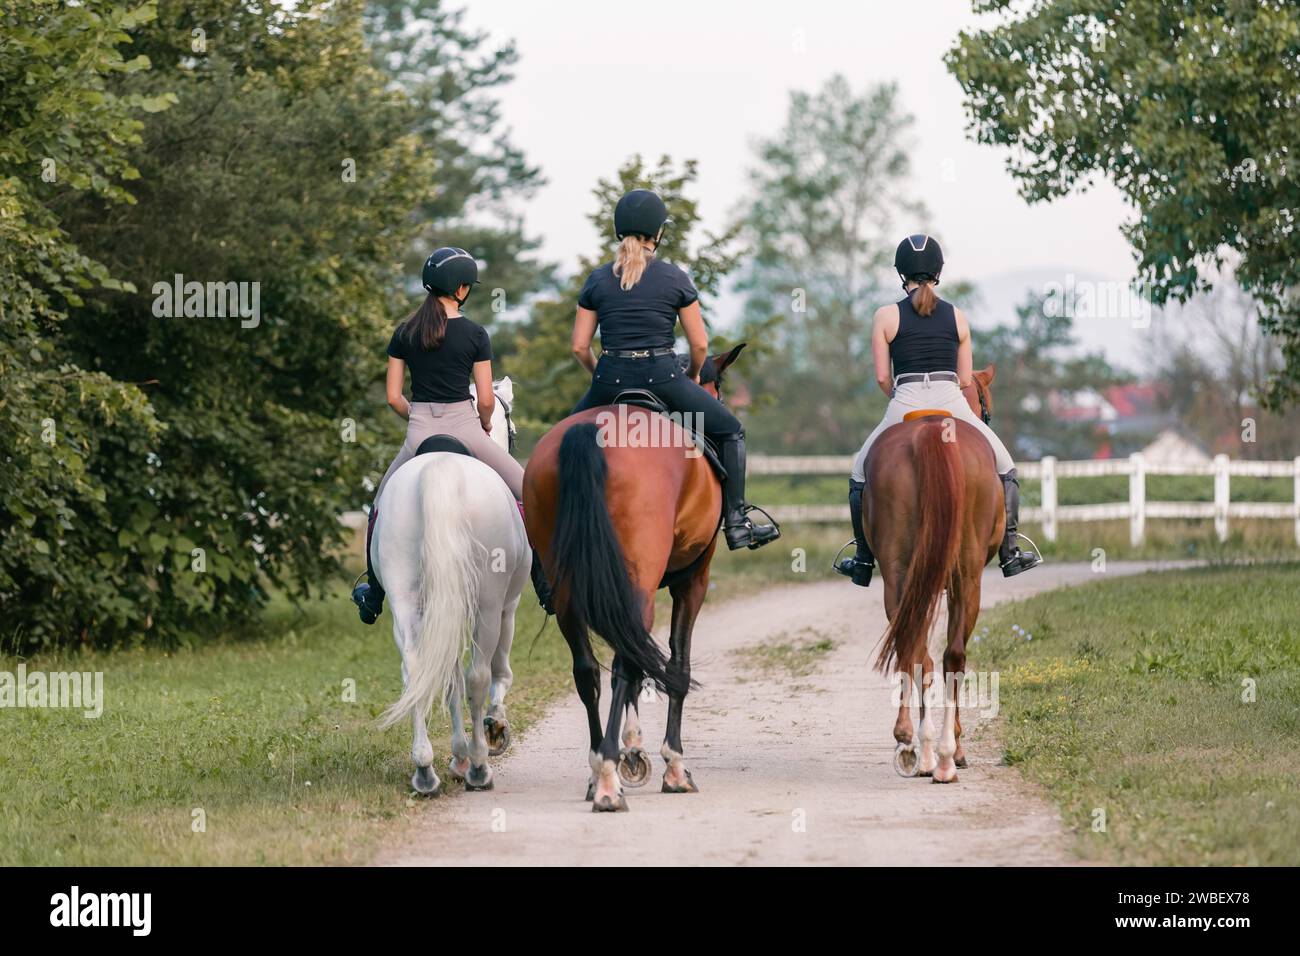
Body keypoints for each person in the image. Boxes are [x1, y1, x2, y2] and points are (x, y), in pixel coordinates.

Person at [568, 189, 779, 551]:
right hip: (664, 379)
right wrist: (695, 376)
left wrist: (599, 374)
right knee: (731, 431)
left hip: (608, 381)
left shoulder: (597, 279)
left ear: (620, 232)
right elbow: (699, 344)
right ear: (658, 234)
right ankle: (737, 522)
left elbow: (579, 346)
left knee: (564, 442)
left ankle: (545, 554)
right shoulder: (674, 278)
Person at [352, 246, 549, 624]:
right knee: (528, 491)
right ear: (461, 289)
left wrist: (419, 418)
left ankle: (373, 593)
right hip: (466, 426)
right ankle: (544, 582)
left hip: (418, 432)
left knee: (379, 506)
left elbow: (394, 397)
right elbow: (487, 400)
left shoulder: (405, 332)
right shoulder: (475, 334)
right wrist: (485, 424)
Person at [835, 234, 1041, 586]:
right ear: (938, 272)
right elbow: (965, 378)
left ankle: (863, 558)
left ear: (902, 272)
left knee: (859, 474)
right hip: (951, 401)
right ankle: (1009, 550)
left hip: (905, 401)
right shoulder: (957, 316)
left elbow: (883, 376)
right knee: (1005, 467)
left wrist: (901, 396)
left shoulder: (885, 315)